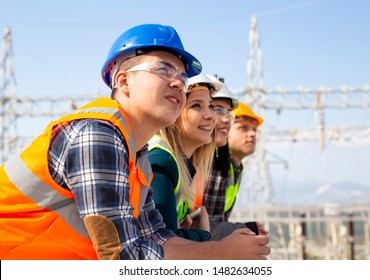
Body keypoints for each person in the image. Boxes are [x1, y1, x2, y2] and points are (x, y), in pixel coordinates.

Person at [0, 24, 270, 260]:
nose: (178, 82)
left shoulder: (136, 155)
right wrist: (221, 252)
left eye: (182, 75)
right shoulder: (97, 134)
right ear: (124, 80)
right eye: (163, 69)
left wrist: (221, 247)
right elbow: (123, 256)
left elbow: (156, 237)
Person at [148, 73, 221, 242]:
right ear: (174, 112)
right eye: (196, 106)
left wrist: (184, 232)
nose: (210, 115)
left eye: (211, 106)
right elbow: (161, 244)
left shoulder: (181, 164)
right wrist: (202, 235)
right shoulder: (161, 161)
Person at [201, 84, 267, 240]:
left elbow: (217, 221)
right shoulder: (214, 164)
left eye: (254, 130)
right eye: (243, 128)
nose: (251, 134)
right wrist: (245, 229)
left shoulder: (235, 167)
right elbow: (202, 226)